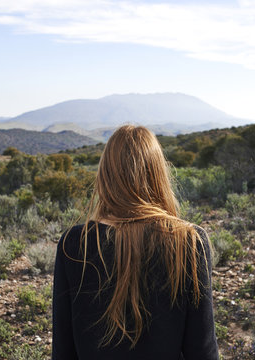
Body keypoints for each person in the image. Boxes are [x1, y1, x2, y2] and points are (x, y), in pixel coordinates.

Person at [52, 125, 219, 359]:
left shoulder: (73, 244)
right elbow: (202, 350)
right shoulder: (189, 241)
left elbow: (63, 351)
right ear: (158, 174)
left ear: (106, 175)